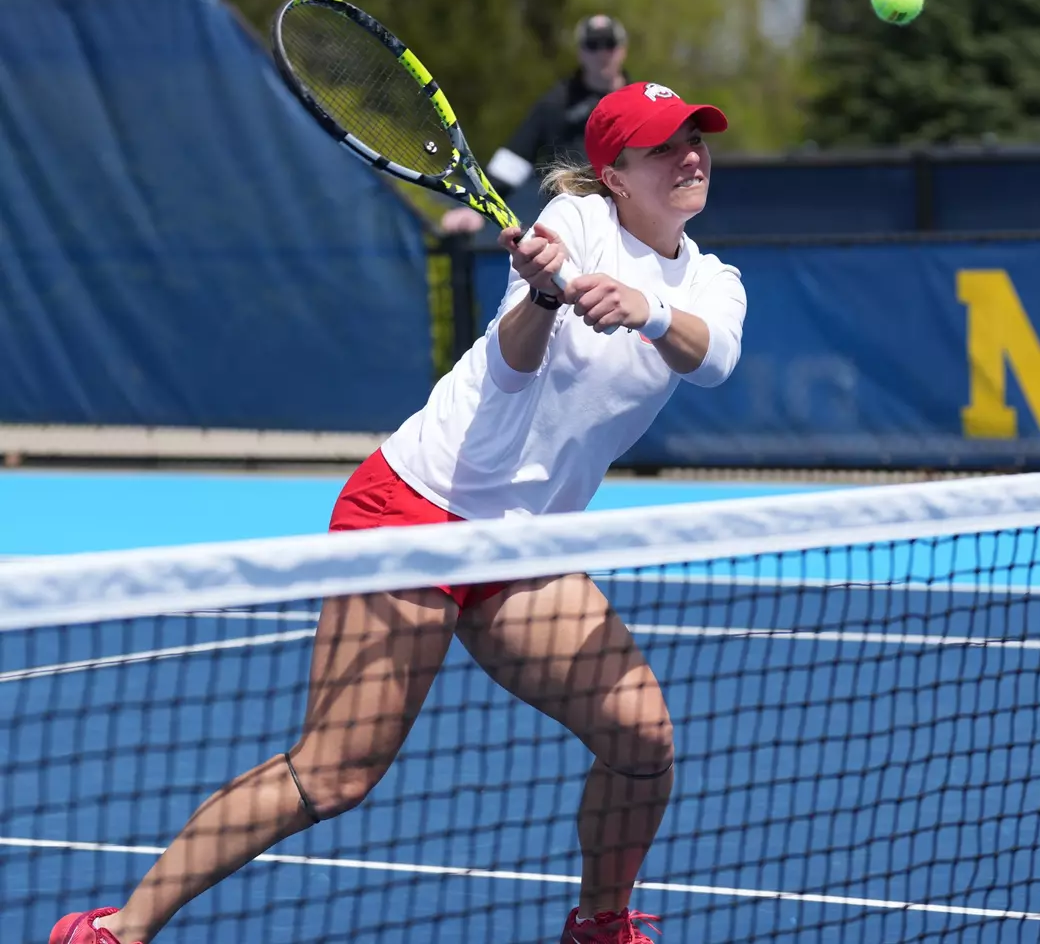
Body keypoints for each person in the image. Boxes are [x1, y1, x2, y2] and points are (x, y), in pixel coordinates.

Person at [50, 81, 746, 944]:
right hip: (414, 512)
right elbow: (514, 366)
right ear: (613, 173)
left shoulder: (713, 282)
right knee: (333, 775)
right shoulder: (572, 228)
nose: (690, 157)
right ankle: (116, 928)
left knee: (643, 740)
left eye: (696, 140)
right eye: (664, 147)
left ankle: (599, 925)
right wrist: (540, 295)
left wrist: (644, 310)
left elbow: (712, 358)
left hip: (526, 545)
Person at [440, 13, 630, 235]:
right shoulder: (555, 103)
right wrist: (479, 206)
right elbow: (514, 160)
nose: (601, 53)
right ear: (580, 52)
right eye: (592, 45)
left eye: (609, 44)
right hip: (572, 226)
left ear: (622, 50)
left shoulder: (640, 101)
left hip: (631, 224)